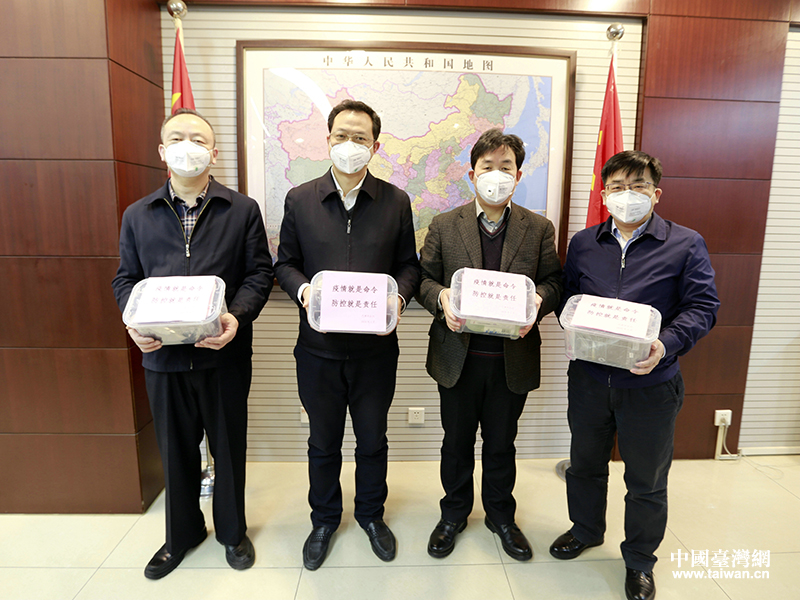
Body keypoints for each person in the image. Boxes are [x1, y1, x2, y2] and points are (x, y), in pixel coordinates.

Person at [549, 150, 719, 600]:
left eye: (638, 185)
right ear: (604, 195)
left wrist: (666, 343)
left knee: (646, 480)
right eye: (618, 187)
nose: (628, 195)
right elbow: (570, 299)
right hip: (589, 380)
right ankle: (585, 530)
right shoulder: (584, 243)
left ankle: (640, 560)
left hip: (650, 385)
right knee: (585, 466)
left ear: (656, 193)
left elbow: (704, 306)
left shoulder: (685, 243)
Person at [112, 108, 274, 579]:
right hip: (162, 357)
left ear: (213, 152)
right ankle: (181, 535)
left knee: (228, 449)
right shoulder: (138, 214)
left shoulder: (241, 209)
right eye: (178, 138)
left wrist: (236, 317)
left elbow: (259, 273)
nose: (189, 146)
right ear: (163, 151)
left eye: (198, 139)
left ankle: (232, 533)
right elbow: (126, 279)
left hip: (223, 354)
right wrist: (132, 321)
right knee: (175, 450)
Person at [274, 99, 420, 570]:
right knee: (323, 442)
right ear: (328, 141)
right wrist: (304, 293)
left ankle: (371, 516)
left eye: (360, 138)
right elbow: (285, 264)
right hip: (318, 350)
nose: (350, 145)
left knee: (373, 439)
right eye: (342, 136)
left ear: (375, 146)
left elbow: (409, 266)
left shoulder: (396, 201)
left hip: (376, 351)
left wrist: (398, 298)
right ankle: (323, 520)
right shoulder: (301, 199)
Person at [417, 129, 563, 561]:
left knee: (501, 445)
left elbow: (554, 281)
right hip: (457, 358)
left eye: (505, 167)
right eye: (487, 167)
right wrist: (442, 298)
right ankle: (453, 514)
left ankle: (501, 516)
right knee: (456, 444)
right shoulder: (445, 224)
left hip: (510, 359)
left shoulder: (538, 228)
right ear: (472, 174)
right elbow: (423, 279)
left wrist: (539, 300)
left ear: (517, 176)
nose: (496, 175)